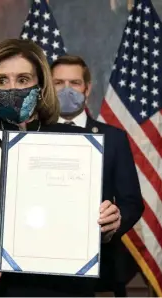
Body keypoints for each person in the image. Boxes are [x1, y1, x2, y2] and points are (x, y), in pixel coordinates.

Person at [0, 39, 123, 297]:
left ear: (40, 88)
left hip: (64, 287)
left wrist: (108, 222)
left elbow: (91, 222)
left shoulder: (75, 143)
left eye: (23, 79)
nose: (12, 88)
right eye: (2, 80)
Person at [51, 54, 144, 296]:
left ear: (87, 88)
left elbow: (132, 202)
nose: (67, 90)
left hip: (100, 273)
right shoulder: (32, 136)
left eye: (74, 83)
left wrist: (112, 225)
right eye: (58, 83)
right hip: (43, 272)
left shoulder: (113, 138)